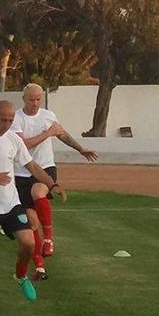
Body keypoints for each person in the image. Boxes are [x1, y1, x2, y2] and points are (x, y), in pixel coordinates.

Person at [0, 100, 66, 316]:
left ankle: (20, 275)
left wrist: (52, 184)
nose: (7, 124)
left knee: (29, 243)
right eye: (3, 120)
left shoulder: (13, 139)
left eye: (10, 120)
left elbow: (32, 166)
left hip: (10, 204)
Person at [12, 83, 99, 272]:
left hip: (45, 168)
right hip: (21, 172)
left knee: (38, 192)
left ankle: (49, 239)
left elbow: (62, 134)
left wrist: (80, 148)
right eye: (31, 99)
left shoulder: (48, 115)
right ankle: (39, 264)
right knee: (32, 222)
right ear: (23, 99)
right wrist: (48, 133)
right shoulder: (16, 118)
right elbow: (25, 144)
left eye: (38, 99)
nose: (35, 103)